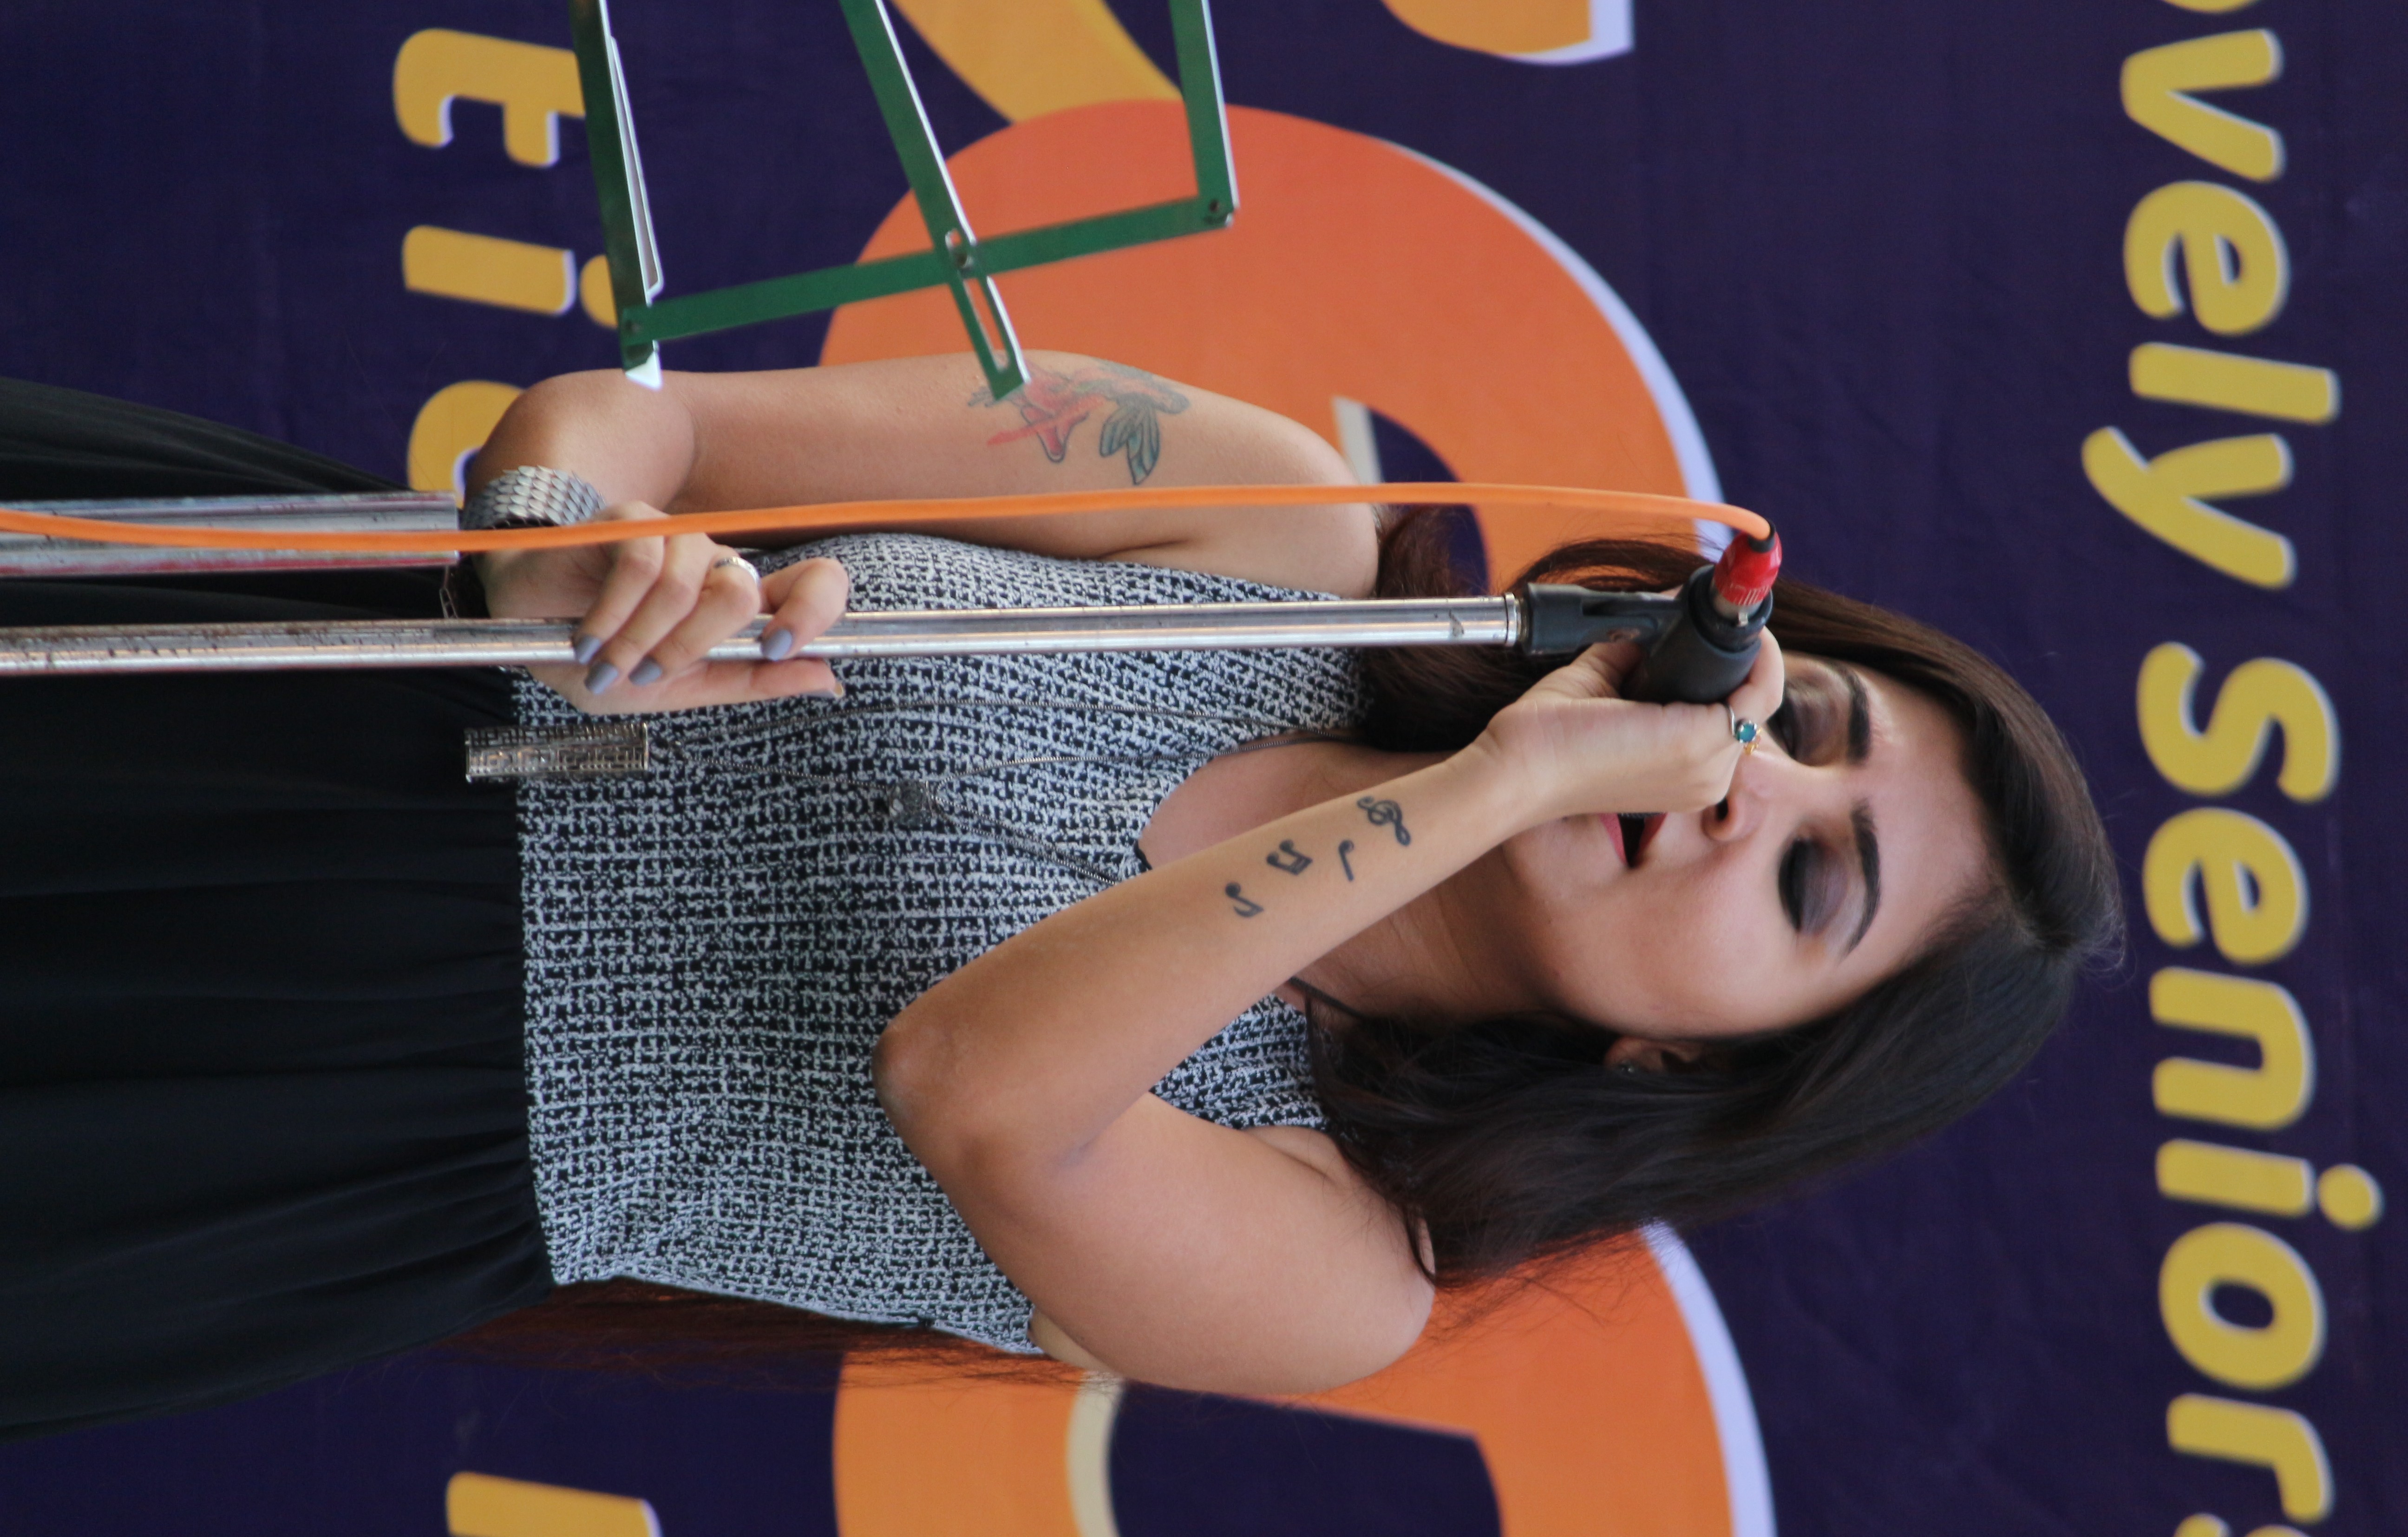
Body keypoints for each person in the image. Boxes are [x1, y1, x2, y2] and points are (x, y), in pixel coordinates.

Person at [0, 355, 2119, 1439]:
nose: (1746, 783)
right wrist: (560, 554)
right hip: (295, 685)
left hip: (285, 1112)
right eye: (1804, 720)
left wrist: (1511, 780)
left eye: (1815, 880)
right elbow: (644, 419)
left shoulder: (1343, 1270)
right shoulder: (1284, 524)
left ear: (1699, 1064)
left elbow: (984, 1088)